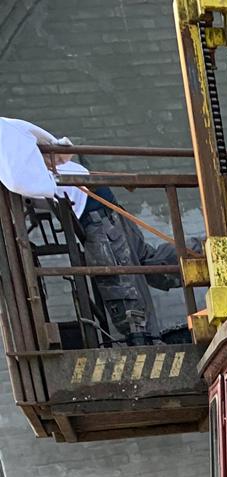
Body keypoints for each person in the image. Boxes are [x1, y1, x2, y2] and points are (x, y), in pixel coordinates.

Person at [0, 117, 184, 344]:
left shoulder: (3, 130)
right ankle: (209, 253)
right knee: (146, 262)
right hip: (90, 204)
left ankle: (142, 339)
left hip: (92, 207)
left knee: (118, 281)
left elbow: (23, 182)